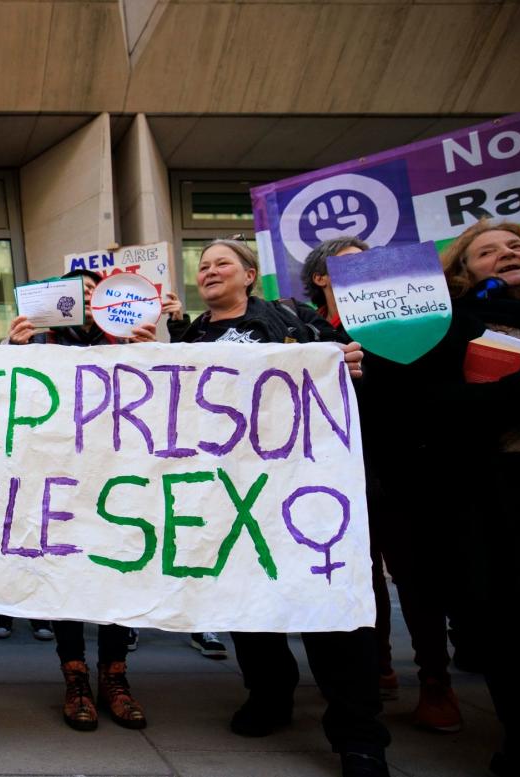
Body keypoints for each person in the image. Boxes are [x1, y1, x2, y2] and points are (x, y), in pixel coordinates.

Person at [171, 238, 386, 777]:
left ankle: (358, 732)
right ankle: (269, 693)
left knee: (326, 599)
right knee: (247, 597)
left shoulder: (299, 321)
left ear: (249, 275)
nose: (210, 270)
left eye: (222, 262)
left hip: (302, 486)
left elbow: (348, 379)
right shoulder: (191, 336)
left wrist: (348, 360)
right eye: (202, 266)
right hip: (230, 489)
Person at [375, 220, 520, 776]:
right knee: (516, 625)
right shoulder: (448, 329)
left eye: (517, 245)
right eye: (487, 251)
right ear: (462, 271)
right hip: (500, 494)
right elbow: (430, 410)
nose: (506, 253)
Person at [6, 267, 162, 731]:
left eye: (97, 292)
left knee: (116, 573)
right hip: (59, 480)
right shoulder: (39, 340)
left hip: (118, 480)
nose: (89, 298)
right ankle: (74, 677)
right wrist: (12, 350)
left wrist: (150, 352)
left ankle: (115, 677)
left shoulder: (131, 340)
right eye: (80, 292)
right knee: (66, 579)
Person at [300, 238, 402, 704]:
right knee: (353, 567)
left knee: (391, 569)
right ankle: (373, 666)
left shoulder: (401, 320)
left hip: (388, 461)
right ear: (321, 277)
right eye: (349, 261)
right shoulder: (303, 326)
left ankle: (425, 675)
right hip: (328, 469)